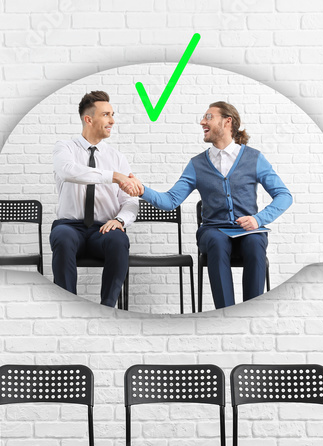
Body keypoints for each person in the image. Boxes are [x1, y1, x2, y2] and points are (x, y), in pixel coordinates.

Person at [124, 101, 292, 309]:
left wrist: (258, 220)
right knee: (217, 242)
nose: (202, 121)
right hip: (213, 230)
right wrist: (142, 190)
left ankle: (251, 314)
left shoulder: (254, 158)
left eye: (209, 117)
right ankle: (226, 314)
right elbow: (171, 200)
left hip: (248, 230)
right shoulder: (197, 164)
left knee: (255, 244)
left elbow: (284, 195)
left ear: (227, 121)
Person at [50, 90, 142, 307]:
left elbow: (130, 201)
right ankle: (68, 308)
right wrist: (113, 177)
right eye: (106, 115)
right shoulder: (65, 148)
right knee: (61, 237)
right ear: (88, 119)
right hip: (70, 226)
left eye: (112, 114)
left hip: (103, 229)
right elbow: (68, 171)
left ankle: (107, 307)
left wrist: (119, 221)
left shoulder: (117, 157)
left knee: (119, 239)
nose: (112, 120)